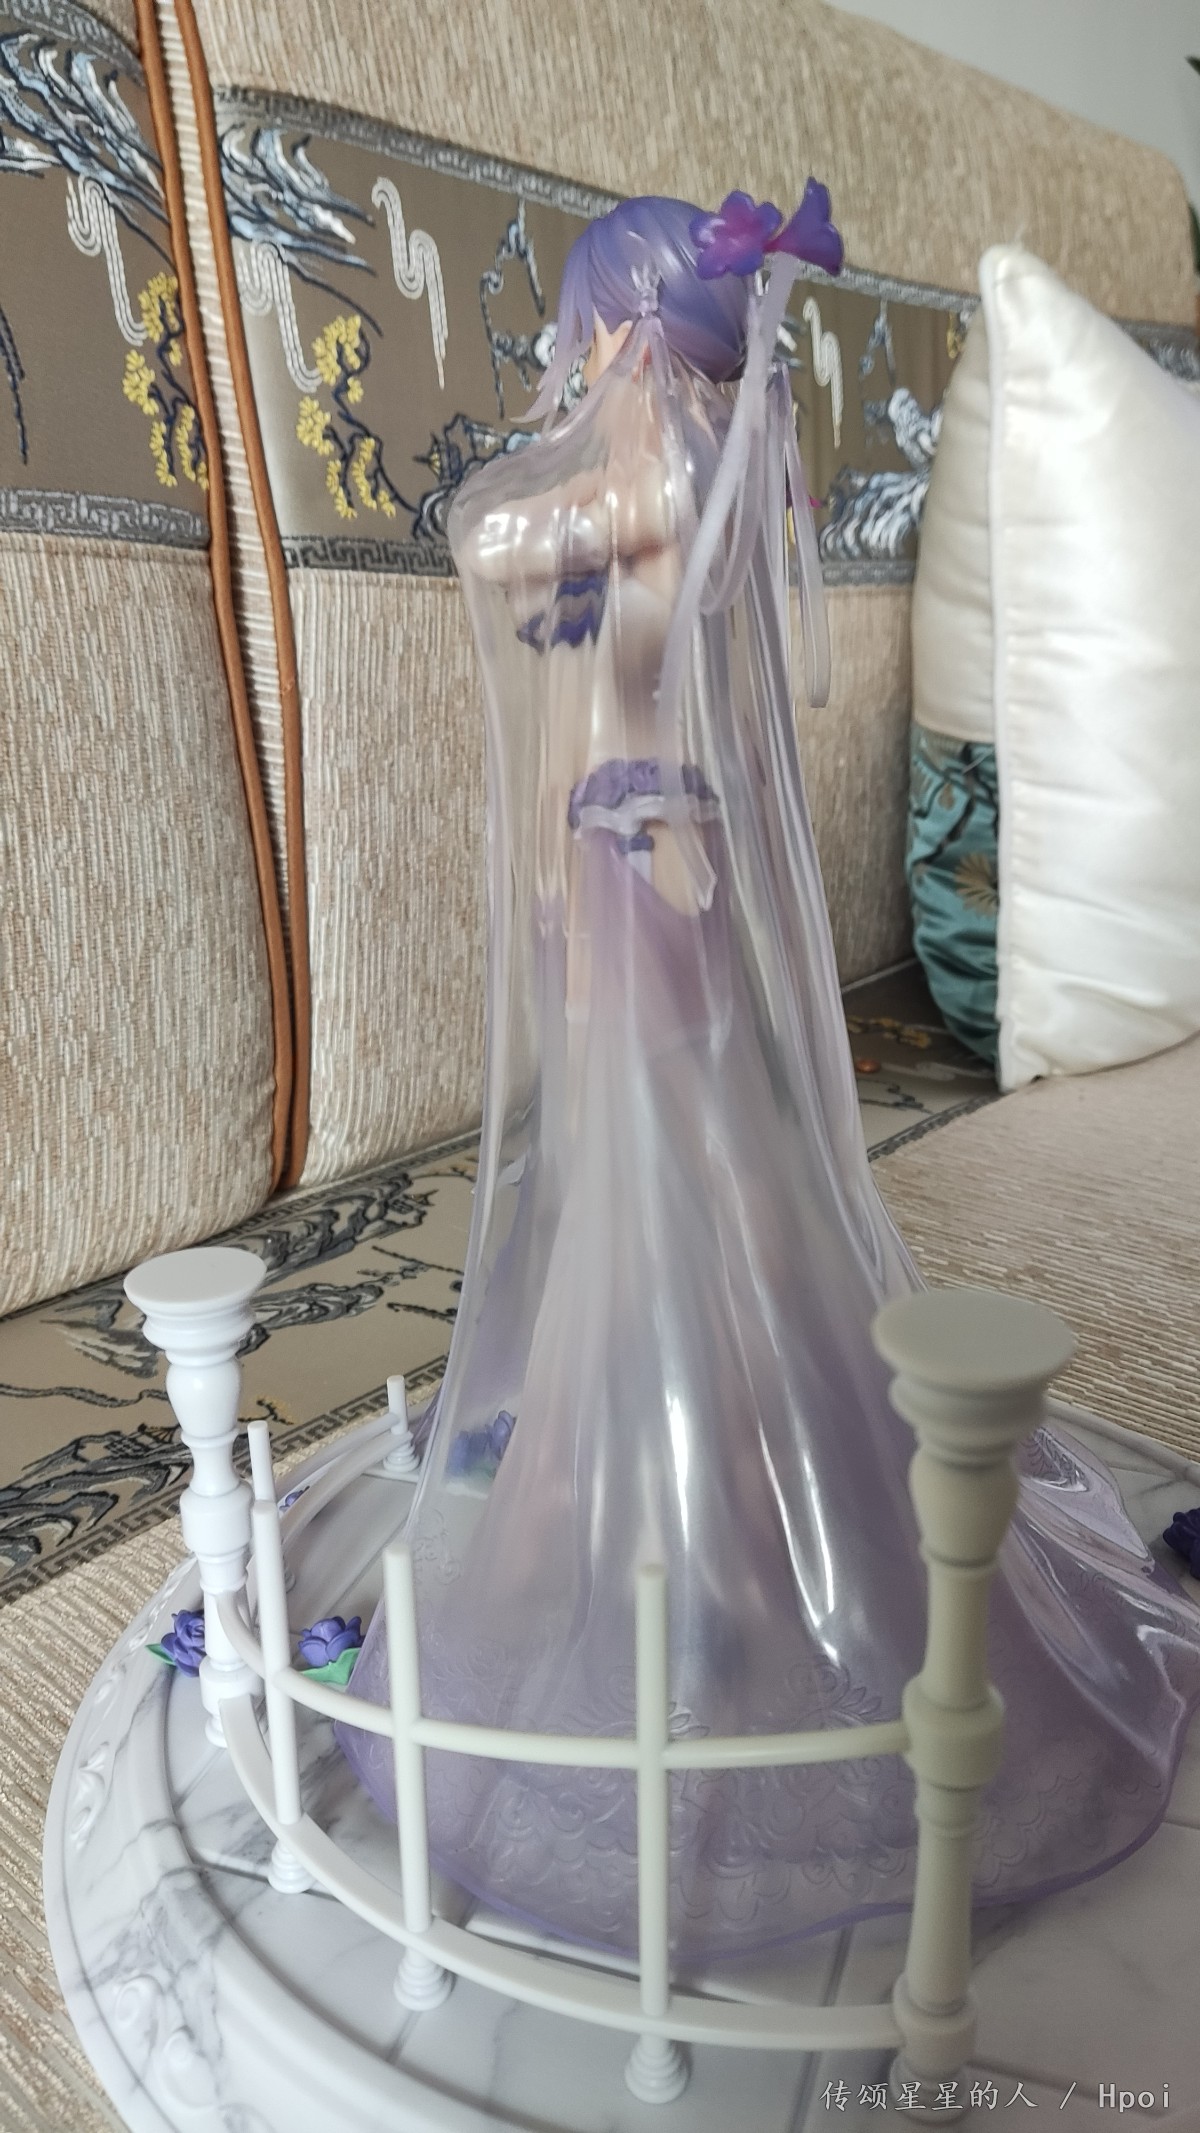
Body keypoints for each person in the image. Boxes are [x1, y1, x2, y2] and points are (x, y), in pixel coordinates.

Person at [338, 188, 1200, 1962]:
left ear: (622, 335)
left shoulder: (655, 487)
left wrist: (595, 442)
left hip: (637, 856)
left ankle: (698, 1537)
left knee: (676, 1189)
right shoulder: (678, 489)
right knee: (677, 1180)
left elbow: (514, 531)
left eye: (591, 337)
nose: (572, 368)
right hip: (627, 858)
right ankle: (664, 1494)